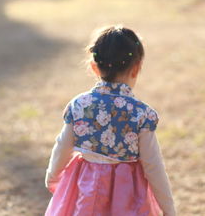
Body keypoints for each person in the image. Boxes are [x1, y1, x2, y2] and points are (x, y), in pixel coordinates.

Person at [45, 25, 176, 216]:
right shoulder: (141, 114)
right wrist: (168, 208)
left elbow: (62, 146)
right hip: (127, 195)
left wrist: (53, 177)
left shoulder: (80, 105)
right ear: (136, 67)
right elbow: (153, 165)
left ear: (94, 66)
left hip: (85, 189)